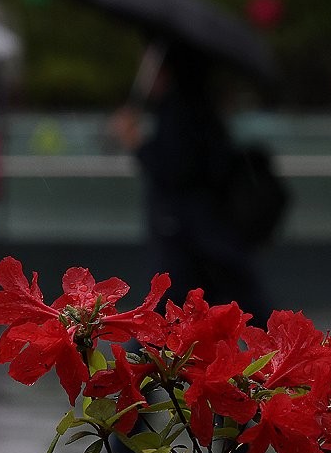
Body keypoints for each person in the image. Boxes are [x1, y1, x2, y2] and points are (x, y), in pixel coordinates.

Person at [110, 43, 271, 322]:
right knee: (232, 304)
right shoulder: (192, 105)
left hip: (190, 231)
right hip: (203, 231)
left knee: (166, 315)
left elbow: (176, 170)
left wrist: (136, 142)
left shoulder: (180, 108)